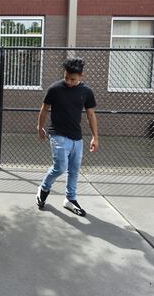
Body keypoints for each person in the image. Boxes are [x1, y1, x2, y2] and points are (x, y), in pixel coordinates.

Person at [35, 57, 98, 216]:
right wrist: (40, 127)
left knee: (74, 170)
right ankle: (44, 188)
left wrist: (95, 137)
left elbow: (91, 115)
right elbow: (44, 109)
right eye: (66, 78)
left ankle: (70, 199)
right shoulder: (55, 89)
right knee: (60, 167)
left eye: (73, 79)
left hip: (77, 137)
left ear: (81, 76)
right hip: (57, 134)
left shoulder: (86, 92)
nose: (68, 81)